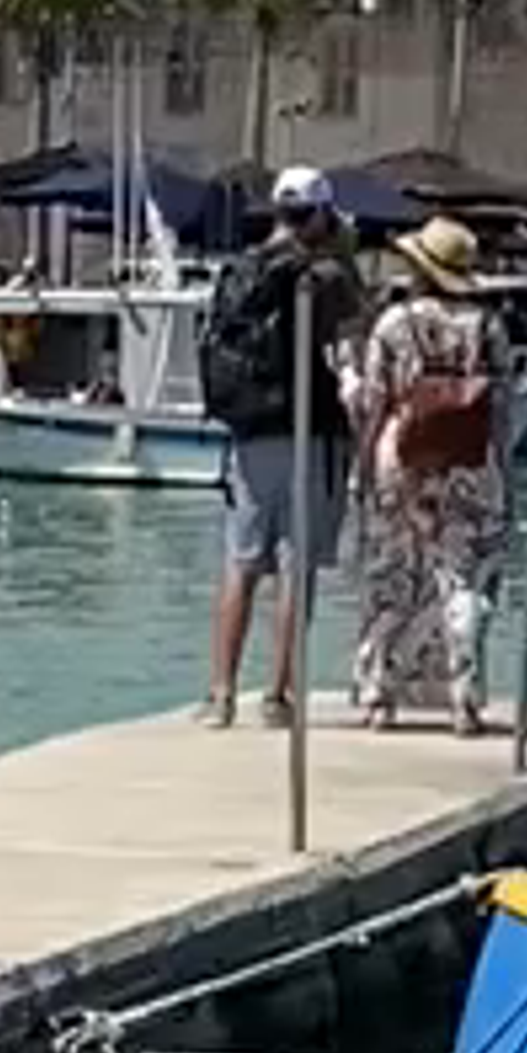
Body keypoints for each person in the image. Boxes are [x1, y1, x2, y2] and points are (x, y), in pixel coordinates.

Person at [198, 169, 352, 725]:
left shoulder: (238, 269)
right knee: (295, 568)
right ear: (319, 216)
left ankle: (220, 694)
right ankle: (278, 696)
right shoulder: (322, 274)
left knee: (239, 564)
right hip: (307, 430)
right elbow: (347, 326)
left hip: (248, 432)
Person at [350, 211, 506, 732]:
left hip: (402, 455)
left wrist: (362, 467)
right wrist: (503, 470)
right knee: (462, 579)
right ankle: (464, 696)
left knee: (392, 578)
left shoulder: (394, 324)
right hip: (469, 461)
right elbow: (502, 410)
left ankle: (379, 695)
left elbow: (375, 401)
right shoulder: (487, 325)